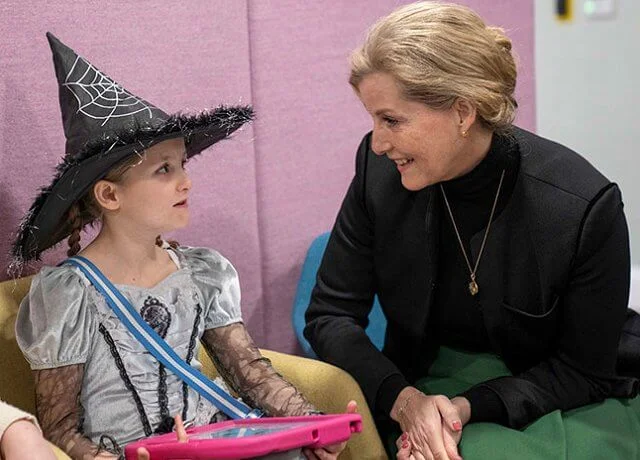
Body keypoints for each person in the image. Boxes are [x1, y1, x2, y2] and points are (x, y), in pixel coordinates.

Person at [304, 2, 640, 459]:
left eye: (392, 120)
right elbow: (330, 315)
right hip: (420, 387)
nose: (378, 143)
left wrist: (464, 409)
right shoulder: (377, 171)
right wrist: (404, 402)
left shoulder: (582, 206)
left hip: (563, 392)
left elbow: (583, 372)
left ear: (463, 113)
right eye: (373, 120)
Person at [13, 33, 353, 460]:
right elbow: (59, 427)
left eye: (183, 165)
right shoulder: (68, 294)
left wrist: (311, 423)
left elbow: (250, 374)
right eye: (163, 170)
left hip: (214, 448)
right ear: (109, 196)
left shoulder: (200, 272)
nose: (185, 181)